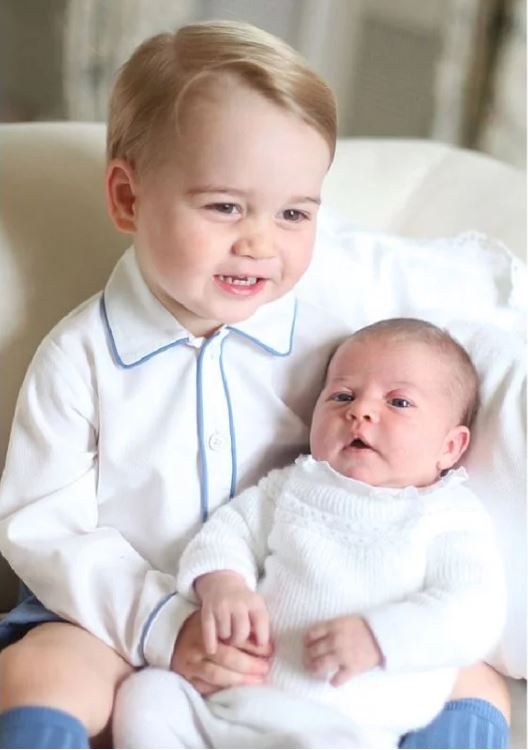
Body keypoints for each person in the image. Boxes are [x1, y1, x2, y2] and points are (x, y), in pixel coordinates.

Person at [0, 20, 510, 750]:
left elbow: (472, 285)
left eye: (294, 213)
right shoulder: (80, 357)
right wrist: (165, 626)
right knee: (39, 671)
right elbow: (45, 527)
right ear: (128, 198)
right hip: (116, 618)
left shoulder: (338, 318)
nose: (260, 242)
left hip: (300, 614)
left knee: (474, 677)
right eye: (225, 206)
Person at [112, 318, 506, 748]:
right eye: (342, 395)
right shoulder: (294, 486)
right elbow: (227, 533)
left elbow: (474, 612)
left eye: (398, 402)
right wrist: (224, 585)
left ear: (450, 447)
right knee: (147, 696)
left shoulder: (447, 515)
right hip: (230, 707)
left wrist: (379, 637)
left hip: (343, 729)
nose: (360, 410)